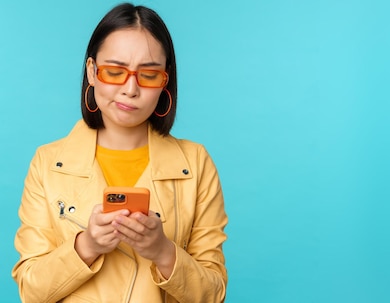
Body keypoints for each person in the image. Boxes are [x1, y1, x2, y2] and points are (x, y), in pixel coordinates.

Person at [11, 3, 228, 302]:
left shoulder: (195, 163)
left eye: (149, 75)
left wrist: (163, 252)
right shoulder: (48, 163)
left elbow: (214, 294)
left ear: (165, 81)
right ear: (92, 72)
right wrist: (86, 246)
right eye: (114, 71)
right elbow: (31, 291)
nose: (130, 89)